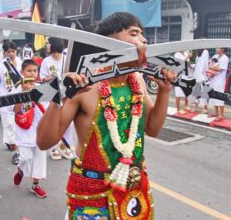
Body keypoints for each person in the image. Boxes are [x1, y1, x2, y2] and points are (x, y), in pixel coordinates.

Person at [37, 12, 176, 219]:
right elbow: (43, 142)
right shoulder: (84, 84)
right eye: (134, 33)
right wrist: (61, 96)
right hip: (92, 193)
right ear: (108, 42)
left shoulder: (137, 80)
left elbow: (152, 129)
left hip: (132, 191)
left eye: (142, 34)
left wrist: (164, 92)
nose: (143, 40)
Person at [13, 59, 47, 198]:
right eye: (29, 71)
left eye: (35, 71)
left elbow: (48, 108)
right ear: (22, 72)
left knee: (40, 158)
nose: (32, 74)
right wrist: (24, 92)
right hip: (24, 129)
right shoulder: (17, 88)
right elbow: (15, 110)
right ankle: (20, 169)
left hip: (40, 129)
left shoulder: (43, 88)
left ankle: (35, 186)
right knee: (26, 157)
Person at [40, 37, 74, 160]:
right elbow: (42, 78)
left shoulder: (67, 59)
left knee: (68, 122)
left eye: (48, 43)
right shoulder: (46, 61)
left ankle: (65, 146)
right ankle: (53, 148)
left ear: (54, 44)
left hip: (67, 95)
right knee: (54, 121)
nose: (47, 46)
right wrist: (53, 78)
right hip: (52, 95)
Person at [208, 48, 229, 121]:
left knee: (220, 97)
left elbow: (221, 69)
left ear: (223, 49)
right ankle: (216, 113)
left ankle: (222, 115)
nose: (216, 49)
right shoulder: (215, 56)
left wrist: (211, 67)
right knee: (214, 96)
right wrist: (211, 69)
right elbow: (210, 64)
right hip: (212, 79)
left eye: (218, 48)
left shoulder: (225, 58)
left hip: (219, 81)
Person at [174, 50, 192, 115]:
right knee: (178, 92)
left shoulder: (185, 53)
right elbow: (181, 63)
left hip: (186, 74)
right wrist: (187, 57)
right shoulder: (176, 54)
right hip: (179, 74)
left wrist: (191, 67)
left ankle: (186, 105)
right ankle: (178, 109)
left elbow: (188, 64)